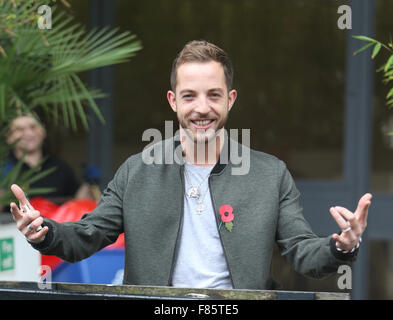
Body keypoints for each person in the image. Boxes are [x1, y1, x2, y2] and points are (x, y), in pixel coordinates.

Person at [9, 40, 372, 290]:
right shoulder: (136, 171)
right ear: (173, 101)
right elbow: (86, 237)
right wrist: (46, 232)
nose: (202, 108)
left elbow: (302, 251)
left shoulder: (270, 174)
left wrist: (340, 246)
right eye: (189, 96)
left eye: (214, 95)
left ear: (230, 99)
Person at [1, 113, 94, 209]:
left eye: (33, 127)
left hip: (56, 223)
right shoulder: (3, 169)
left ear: (43, 130)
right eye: (20, 129)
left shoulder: (60, 167)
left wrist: (89, 184)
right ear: (8, 136)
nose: (29, 133)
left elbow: (78, 204)